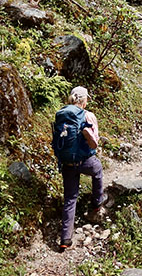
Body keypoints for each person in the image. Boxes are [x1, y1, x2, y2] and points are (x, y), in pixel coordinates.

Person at [52, 86, 106, 251]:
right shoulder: (87, 115)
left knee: (70, 198)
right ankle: (97, 202)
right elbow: (94, 141)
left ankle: (65, 238)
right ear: (84, 100)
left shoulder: (61, 114)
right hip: (84, 161)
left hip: (67, 163)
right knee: (98, 171)